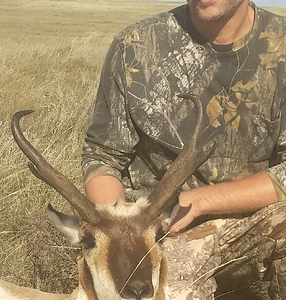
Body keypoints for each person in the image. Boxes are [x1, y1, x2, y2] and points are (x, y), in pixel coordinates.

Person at [82, 0, 286, 298]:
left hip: (254, 219)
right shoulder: (135, 47)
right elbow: (103, 155)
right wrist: (124, 233)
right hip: (160, 233)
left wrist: (203, 200)